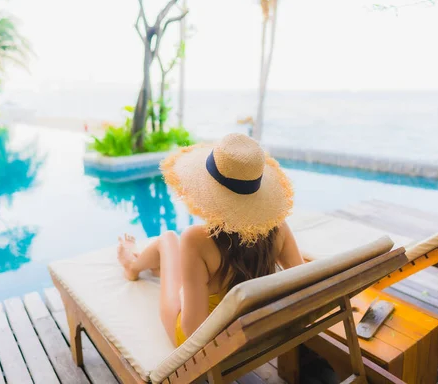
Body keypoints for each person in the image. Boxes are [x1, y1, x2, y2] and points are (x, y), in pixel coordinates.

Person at [116, 133, 303, 346]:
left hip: (207, 346)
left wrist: (185, 293)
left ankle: (132, 266)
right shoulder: (279, 228)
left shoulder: (197, 240)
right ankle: (152, 268)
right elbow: (304, 281)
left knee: (168, 239)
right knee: (180, 263)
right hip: (251, 336)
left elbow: (193, 332)